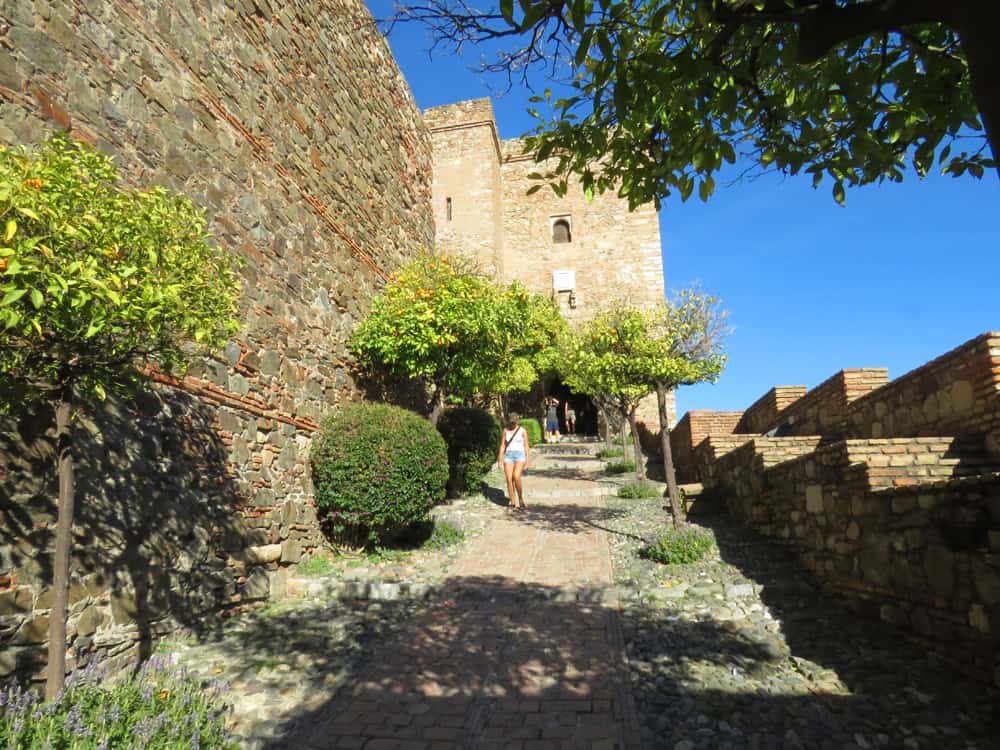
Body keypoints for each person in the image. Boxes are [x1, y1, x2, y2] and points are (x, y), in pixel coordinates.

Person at [497, 412, 529, 509]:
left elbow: (526, 446)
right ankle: (512, 501)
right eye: (511, 422)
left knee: (516, 476)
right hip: (509, 456)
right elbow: (502, 446)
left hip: (520, 455)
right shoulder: (505, 431)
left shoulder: (522, 431)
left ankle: (520, 498)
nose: (513, 424)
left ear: (517, 421)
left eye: (514, 422)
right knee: (509, 479)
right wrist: (500, 459)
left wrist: (528, 460)